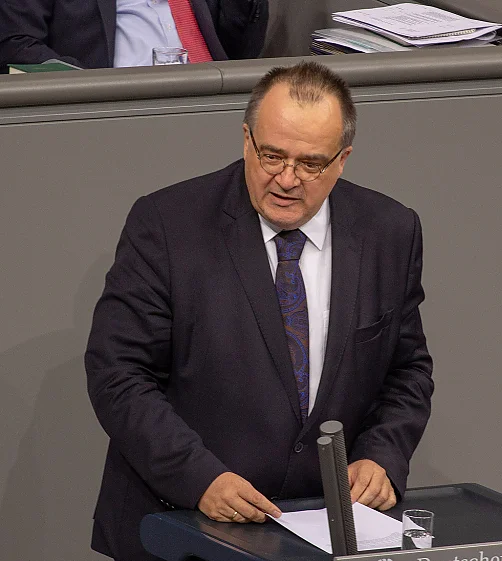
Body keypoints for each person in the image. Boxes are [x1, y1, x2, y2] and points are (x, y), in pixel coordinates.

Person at [85, 60, 434, 561]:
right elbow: (117, 374)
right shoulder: (168, 225)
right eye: (272, 156)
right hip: (179, 526)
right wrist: (198, 477)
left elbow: (408, 371)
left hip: (321, 530)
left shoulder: (389, 232)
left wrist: (382, 454)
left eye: (310, 163)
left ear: (343, 160)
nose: (287, 179)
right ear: (246, 141)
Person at [0, 0, 268, 70]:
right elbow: (17, 44)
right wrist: (88, 88)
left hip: (214, 103)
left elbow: (242, 50)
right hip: (113, 110)